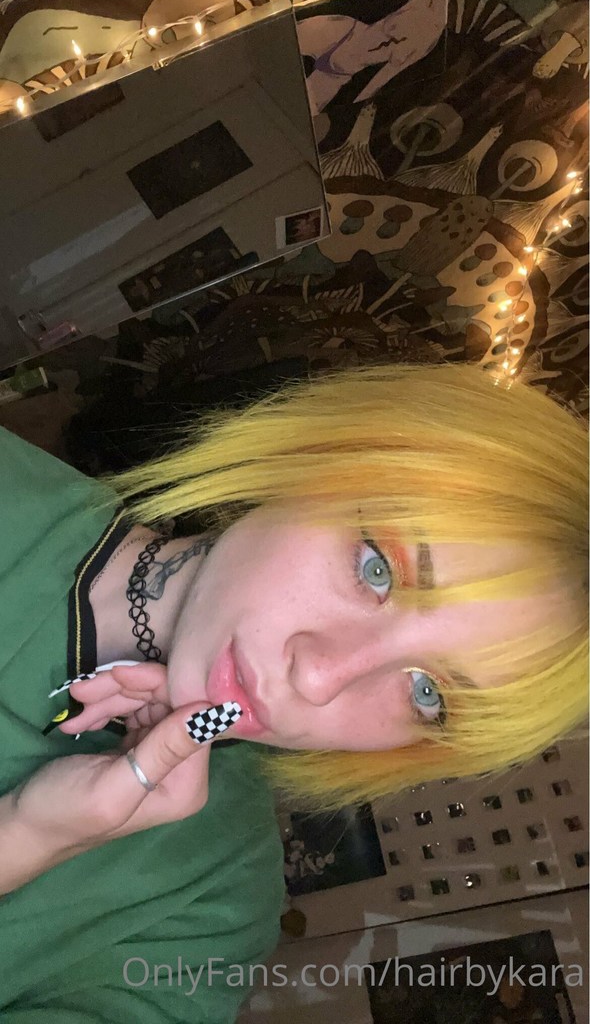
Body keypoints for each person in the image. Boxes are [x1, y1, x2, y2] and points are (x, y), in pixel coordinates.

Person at [0, 362, 587, 1021]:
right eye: (376, 568)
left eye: (428, 695)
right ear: (318, 456)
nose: (320, 679)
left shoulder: (210, 914)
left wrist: (29, 836)